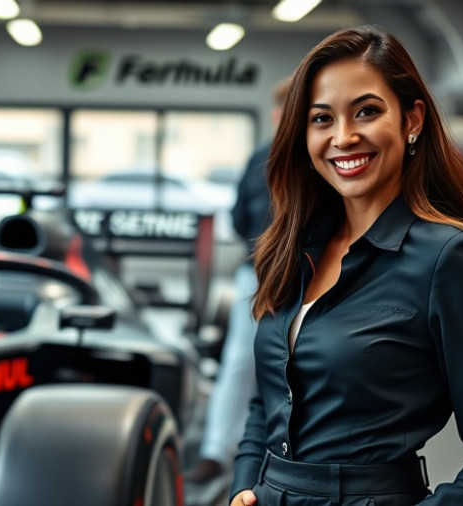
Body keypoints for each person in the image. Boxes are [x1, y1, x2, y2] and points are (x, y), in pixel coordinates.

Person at [230, 25, 463, 506]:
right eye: (322, 119)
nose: (343, 137)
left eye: (367, 111)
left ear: (411, 120)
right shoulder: (294, 247)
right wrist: (244, 486)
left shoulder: (448, 259)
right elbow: (267, 399)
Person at [184, 77, 290, 491]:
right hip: (258, 274)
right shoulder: (260, 159)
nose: (283, 117)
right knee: (240, 363)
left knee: (300, 363)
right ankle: (217, 452)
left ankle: (288, 458)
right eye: (280, 110)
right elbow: (239, 217)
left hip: (309, 275)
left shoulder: (320, 160)